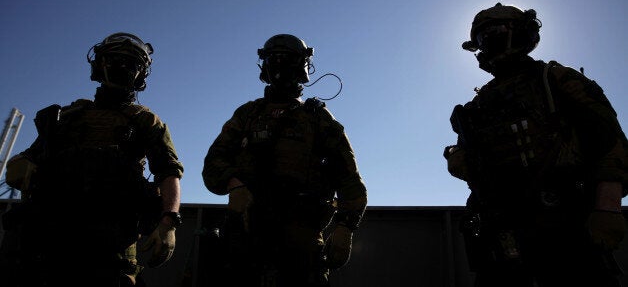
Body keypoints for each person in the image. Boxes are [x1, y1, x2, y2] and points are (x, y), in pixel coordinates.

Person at [444, 3, 628, 287]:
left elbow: (609, 144)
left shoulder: (555, 79)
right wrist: (459, 160)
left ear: (520, 33)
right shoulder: (478, 106)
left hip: (566, 224)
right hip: (503, 230)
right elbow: (476, 165)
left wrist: (608, 207)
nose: (486, 43)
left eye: (493, 32)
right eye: (480, 38)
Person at [2, 32, 184, 286]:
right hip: (53, 236)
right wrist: (22, 165)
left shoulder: (145, 120)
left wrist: (169, 222)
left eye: (131, 63)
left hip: (113, 240)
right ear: (99, 65)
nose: (122, 67)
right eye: (115, 60)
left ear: (141, 73)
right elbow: (29, 162)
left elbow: (168, 171)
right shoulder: (68, 116)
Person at [202, 34, 368, 287]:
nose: (280, 67)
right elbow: (213, 166)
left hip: (301, 236)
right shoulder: (247, 114)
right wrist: (234, 183)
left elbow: (349, 179)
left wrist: (346, 226)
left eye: (287, 60)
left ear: (301, 66)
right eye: (274, 60)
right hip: (246, 234)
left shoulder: (317, 119)